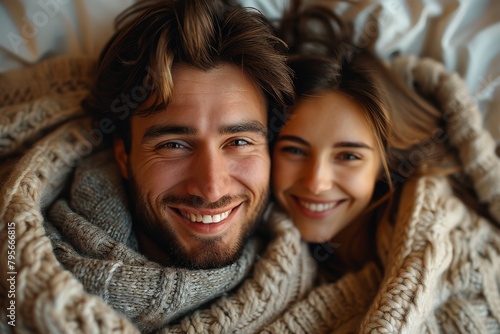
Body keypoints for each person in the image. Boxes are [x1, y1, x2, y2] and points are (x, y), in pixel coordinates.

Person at [0, 0, 316, 332]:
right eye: (174, 145)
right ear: (124, 157)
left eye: (238, 142)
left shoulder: (323, 294)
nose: (212, 187)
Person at [260, 3, 500, 333]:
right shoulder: (258, 247)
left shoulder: (460, 250)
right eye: (295, 150)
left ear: (383, 163)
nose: (316, 182)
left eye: (348, 156)